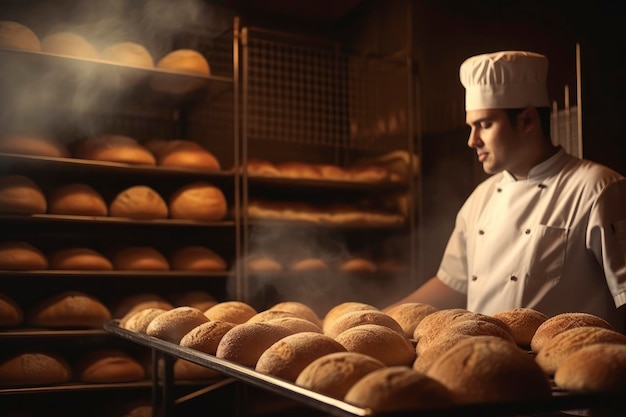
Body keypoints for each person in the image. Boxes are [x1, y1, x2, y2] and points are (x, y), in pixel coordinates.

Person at [387, 50, 626, 331]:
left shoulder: (597, 189)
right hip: (484, 361)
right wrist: (380, 318)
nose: (472, 140)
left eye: (484, 125)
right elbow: (451, 284)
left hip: (561, 369)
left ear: (527, 121)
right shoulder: (481, 198)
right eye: (470, 127)